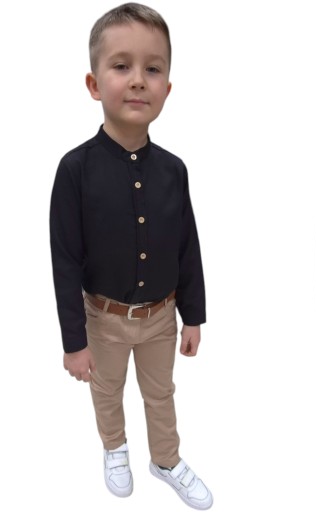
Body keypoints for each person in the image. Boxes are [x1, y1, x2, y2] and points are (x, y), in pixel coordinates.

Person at [50, 3, 213, 509]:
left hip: (162, 316)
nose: (139, 80)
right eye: (122, 66)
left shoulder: (174, 170)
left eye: (153, 68)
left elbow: (187, 244)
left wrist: (193, 315)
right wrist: (74, 342)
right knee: (108, 390)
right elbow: (64, 261)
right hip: (103, 318)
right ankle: (115, 448)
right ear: (94, 84)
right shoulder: (75, 170)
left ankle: (166, 458)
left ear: (168, 87)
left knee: (161, 392)